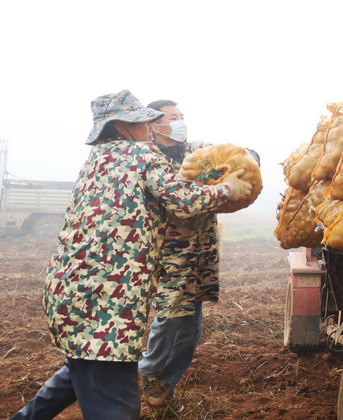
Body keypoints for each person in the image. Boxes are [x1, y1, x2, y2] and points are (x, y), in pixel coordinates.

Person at [10, 90, 252, 420]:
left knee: (83, 368)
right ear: (122, 127)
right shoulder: (141, 154)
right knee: (117, 404)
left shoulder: (97, 158)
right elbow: (183, 200)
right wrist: (228, 189)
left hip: (71, 291)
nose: (150, 128)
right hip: (107, 301)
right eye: (143, 122)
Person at [138, 99, 260, 407]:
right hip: (170, 251)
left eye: (181, 115)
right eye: (172, 117)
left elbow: (236, 154)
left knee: (191, 321)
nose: (180, 121)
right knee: (170, 315)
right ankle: (150, 371)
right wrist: (222, 187)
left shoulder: (196, 150)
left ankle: (166, 383)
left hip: (202, 249)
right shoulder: (150, 160)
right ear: (154, 125)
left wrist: (248, 160)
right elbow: (181, 201)